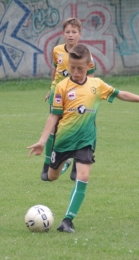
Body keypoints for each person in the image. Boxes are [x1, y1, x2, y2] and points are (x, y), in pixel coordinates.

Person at [28, 44, 139, 233]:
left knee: (84, 175)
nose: (76, 71)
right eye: (72, 67)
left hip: (85, 140)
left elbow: (121, 94)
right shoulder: (62, 87)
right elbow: (54, 116)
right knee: (51, 176)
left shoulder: (97, 85)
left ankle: (67, 221)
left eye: (80, 68)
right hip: (64, 141)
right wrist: (42, 140)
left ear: (89, 65)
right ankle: (63, 165)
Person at [41, 17, 95, 182]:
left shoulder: (85, 54)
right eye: (68, 32)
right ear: (63, 34)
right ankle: (48, 163)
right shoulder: (57, 50)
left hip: (76, 96)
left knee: (77, 129)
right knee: (53, 131)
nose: (71, 35)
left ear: (80, 34)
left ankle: (76, 166)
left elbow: (90, 77)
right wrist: (51, 88)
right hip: (58, 93)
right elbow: (56, 70)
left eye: (74, 32)